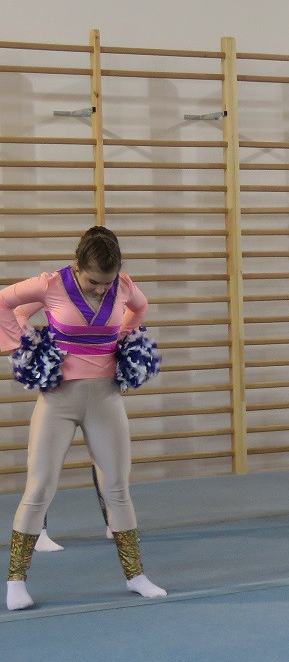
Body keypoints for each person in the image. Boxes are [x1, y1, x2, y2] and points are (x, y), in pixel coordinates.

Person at [1, 226, 166, 610]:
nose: (101, 290)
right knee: (39, 488)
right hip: (57, 400)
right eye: (93, 282)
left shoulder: (123, 286)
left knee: (117, 488)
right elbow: (4, 302)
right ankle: (15, 582)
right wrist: (21, 344)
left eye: (107, 283)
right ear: (77, 267)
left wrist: (125, 337)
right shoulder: (49, 284)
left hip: (106, 398)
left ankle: (136, 576)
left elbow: (140, 307)